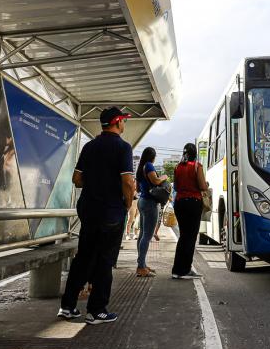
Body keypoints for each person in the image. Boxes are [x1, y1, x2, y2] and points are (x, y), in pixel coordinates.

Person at [57, 107, 135, 324]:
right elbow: (128, 182)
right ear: (117, 122)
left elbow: (76, 179)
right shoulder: (123, 147)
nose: (124, 125)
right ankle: (97, 310)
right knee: (104, 260)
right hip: (111, 211)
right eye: (124, 121)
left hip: (89, 210)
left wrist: (95, 183)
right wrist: (127, 204)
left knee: (83, 257)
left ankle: (68, 306)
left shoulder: (89, 146)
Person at [171, 142, 209, 280]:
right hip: (193, 203)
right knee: (191, 237)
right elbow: (203, 186)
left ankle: (177, 269)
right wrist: (205, 185)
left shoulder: (177, 167)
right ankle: (185, 269)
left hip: (180, 203)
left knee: (183, 236)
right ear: (195, 154)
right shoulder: (197, 167)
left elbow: (175, 186)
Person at [134, 147, 168, 277]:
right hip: (149, 203)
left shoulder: (140, 167)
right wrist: (164, 177)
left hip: (142, 201)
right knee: (147, 236)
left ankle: (141, 264)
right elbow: (156, 181)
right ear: (152, 157)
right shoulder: (148, 165)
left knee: (143, 234)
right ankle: (141, 267)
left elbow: (137, 188)